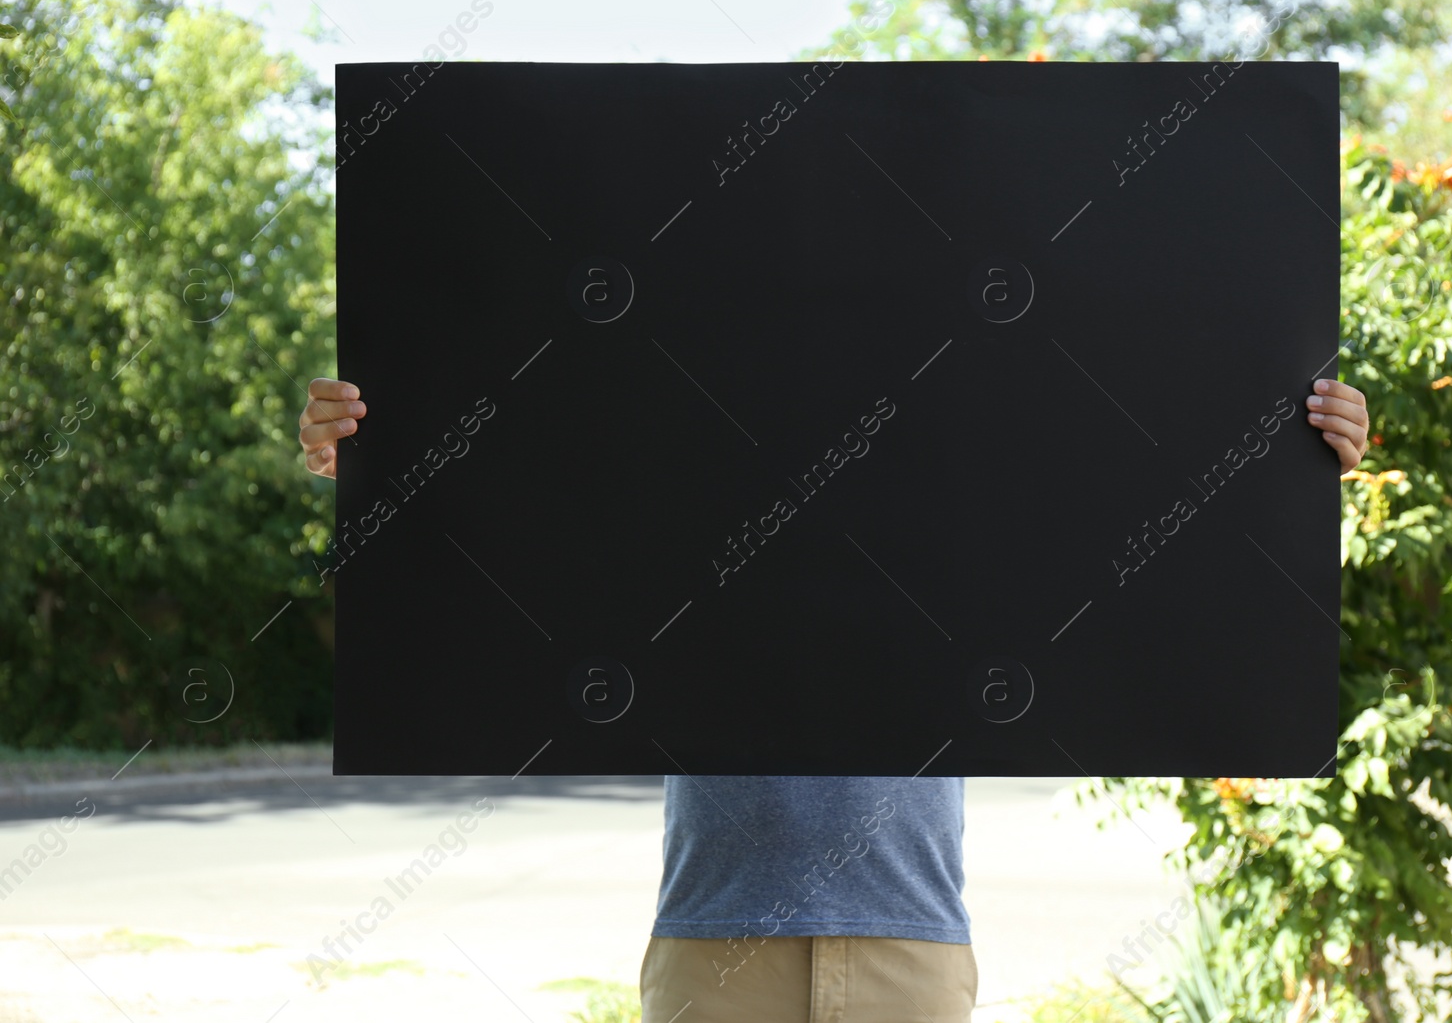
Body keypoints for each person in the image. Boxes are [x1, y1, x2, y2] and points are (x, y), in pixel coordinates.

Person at [298, 374, 1370, 1022]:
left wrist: (1298, 460)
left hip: (908, 938)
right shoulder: (692, 463)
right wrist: (363, 457)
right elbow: (535, 504)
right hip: (717, 935)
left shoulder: (953, 472)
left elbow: (1119, 492)